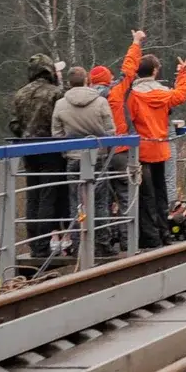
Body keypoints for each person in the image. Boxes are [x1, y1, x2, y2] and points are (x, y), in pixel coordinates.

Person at [51, 65, 117, 259]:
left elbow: (57, 134)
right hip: (98, 157)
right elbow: (110, 131)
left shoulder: (61, 104)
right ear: (87, 80)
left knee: (75, 202)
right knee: (100, 202)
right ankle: (103, 244)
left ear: (70, 82)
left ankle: (78, 243)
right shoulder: (101, 102)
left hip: (73, 159)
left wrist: (67, 151)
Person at [9, 53, 70, 256]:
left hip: (27, 149)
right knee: (48, 195)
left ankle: (35, 242)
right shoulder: (55, 93)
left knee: (32, 195)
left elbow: (14, 124)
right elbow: (62, 120)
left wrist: (26, 134)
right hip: (51, 150)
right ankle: (44, 244)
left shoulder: (20, 94)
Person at [128, 52, 186, 248]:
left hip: (140, 150)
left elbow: (128, 119)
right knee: (160, 191)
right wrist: (182, 73)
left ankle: (149, 236)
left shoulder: (133, 96)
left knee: (145, 195)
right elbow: (180, 95)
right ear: (155, 71)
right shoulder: (163, 93)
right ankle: (164, 232)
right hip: (160, 149)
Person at [92, 28, 146, 250]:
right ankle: (128, 241)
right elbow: (129, 70)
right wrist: (135, 43)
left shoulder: (86, 97)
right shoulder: (115, 92)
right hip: (121, 150)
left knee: (100, 200)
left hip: (95, 155)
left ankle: (102, 244)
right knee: (126, 198)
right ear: (107, 80)